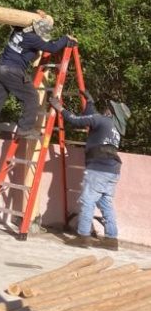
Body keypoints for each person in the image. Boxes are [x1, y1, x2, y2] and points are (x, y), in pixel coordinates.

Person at [0, 11, 77, 142]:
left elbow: (22, 19)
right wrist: (66, 39)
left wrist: (38, 16)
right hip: (13, 71)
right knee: (31, 97)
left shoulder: (18, 29)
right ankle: (25, 129)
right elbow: (52, 48)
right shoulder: (34, 39)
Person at [50, 91, 130, 251]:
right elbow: (91, 118)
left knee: (87, 201)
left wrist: (59, 108)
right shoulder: (114, 129)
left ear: (110, 112)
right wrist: (90, 103)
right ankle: (111, 240)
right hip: (112, 170)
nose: (106, 109)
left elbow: (75, 120)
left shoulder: (101, 120)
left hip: (98, 169)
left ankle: (83, 237)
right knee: (106, 203)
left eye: (108, 108)